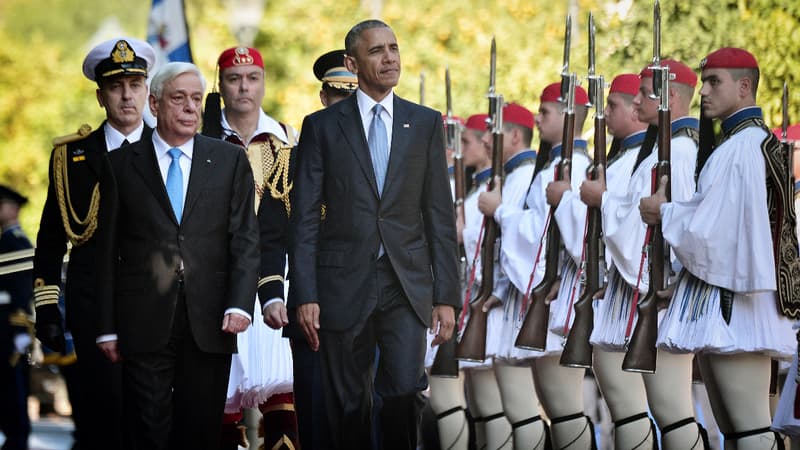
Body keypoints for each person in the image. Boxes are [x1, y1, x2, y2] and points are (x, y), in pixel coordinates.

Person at [290, 20, 460, 449]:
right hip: (342, 284)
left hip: (405, 283)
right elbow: (306, 217)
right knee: (348, 404)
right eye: (376, 51)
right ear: (352, 63)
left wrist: (446, 296)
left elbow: (439, 213)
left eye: (394, 49)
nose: (389, 59)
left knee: (404, 392)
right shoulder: (323, 127)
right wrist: (305, 293)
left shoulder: (424, 123)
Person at [95, 61, 259, 449]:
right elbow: (105, 251)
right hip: (143, 319)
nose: (190, 108)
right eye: (179, 98)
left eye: (197, 99)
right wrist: (106, 325)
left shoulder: (228, 159)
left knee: (199, 428)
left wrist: (240, 304)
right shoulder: (119, 165)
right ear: (154, 104)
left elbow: (245, 238)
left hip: (210, 318)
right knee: (148, 429)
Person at [641, 47, 798, 449]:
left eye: (715, 82)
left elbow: (716, 231)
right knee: (735, 430)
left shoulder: (742, 148)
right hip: (726, 301)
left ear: (745, 87)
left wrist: (666, 212)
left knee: (750, 431)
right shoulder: (736, 145)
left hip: (738, 307)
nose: (705, 91)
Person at [31, 37, 155, 450]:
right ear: (100, 96)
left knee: (152, 418)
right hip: (93, 308)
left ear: (147, 91)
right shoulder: (72, 156)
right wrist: (48, 306)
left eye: (135, 85)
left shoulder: (170, 150)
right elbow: (51, 238)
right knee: (102, 418)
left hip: (158, 303)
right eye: (117, 87)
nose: (127, 95)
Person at [201, 45, 301, 450]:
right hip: (214, 281)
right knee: (218, 395)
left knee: (282, 392)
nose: (244, 87)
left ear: (263, 83)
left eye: (252, 78)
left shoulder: (285, 141)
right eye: (234, 78)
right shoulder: (200, 137)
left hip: (272, 278)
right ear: (221, 85)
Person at [577, 73, 654, 448]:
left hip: (630, 291)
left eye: (613, 106)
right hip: (616, 291)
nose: (604, 114)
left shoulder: (635, 161)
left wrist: (600, 199)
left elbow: (632, 225)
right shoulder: (625, 158)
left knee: (637, 411)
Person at [0, 186, 33, 450]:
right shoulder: (6, 240)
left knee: (13, 391)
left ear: (12, 209)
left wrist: (22, 330)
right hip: (5, 329)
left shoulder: (15, 240)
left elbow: (22, 290)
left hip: (11, 331)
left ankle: (17, 441)